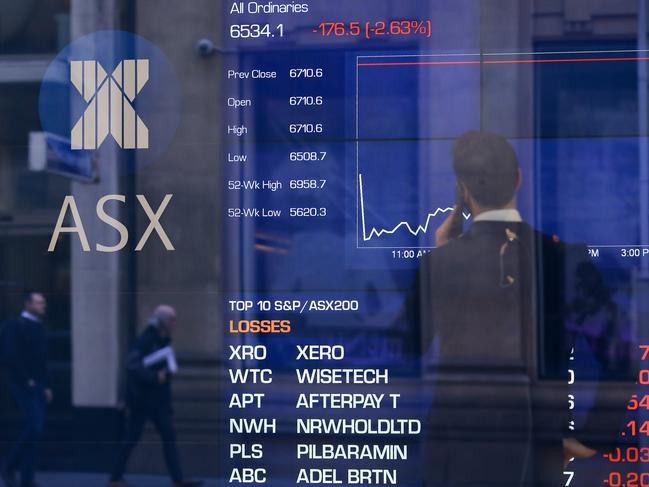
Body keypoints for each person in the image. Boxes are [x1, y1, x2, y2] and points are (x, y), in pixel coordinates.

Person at [404, 131, 628, 486]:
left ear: (463, 190)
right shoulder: (563, 261)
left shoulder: (441, 263)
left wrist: (441, 258)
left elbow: (408, 346)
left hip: (455, 457)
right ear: (518, 179)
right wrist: (592, 436)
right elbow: (620, 353)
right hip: (536, 454)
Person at [108, 305, 201, 487]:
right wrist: (154, 377)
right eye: (172, 319)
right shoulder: (146, 339)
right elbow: (132, 365)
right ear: (162, 322)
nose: (175, 323)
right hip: (143, 400)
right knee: (132, 438)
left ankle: (178, 479)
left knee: (168, 436)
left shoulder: (161, 340)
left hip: (157, 400)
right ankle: (115, 478)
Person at [1, 292, 52, 487]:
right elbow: (9, 355)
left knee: (35, 432)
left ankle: (27, 480)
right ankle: (9, 465)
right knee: (34, 427)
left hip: (38, 385)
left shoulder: (39, 327)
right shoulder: (15, 326)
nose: (43, 306)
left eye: (43, 303)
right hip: (22, 384)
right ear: (27, 304)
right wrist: (26, 379)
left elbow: (43, 360)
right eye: (39, 303)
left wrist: (46, 385)